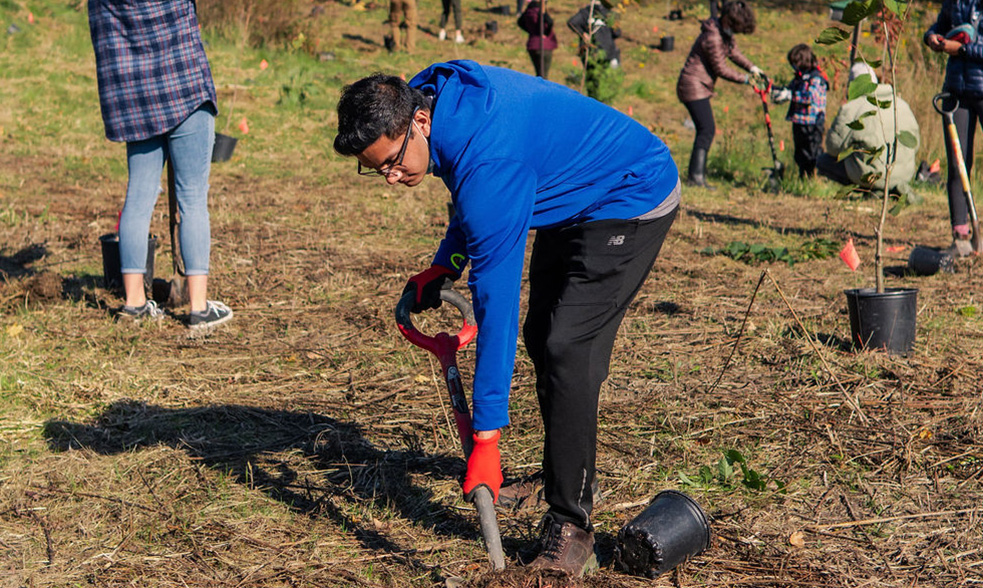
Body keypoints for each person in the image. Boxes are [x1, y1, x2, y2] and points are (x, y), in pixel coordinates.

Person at [334, 61, 679, 576]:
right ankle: (561, 472)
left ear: (419, 123)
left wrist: (487, 438)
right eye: (375, 167)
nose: (390, 178)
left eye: (392, 162)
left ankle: (571, 521)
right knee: (542, 336)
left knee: (568, 348)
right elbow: (467, 187)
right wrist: (446, 262)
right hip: (564, 193)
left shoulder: (489, 159)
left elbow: (495, 306)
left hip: (631, 191)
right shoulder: (430, 96)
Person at [88, 0, 232, 331]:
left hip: (135, 100)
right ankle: (199, 308)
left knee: (138, 197)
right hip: (185, 92)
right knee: (193, 198)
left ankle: (134, 304)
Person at [676, 0, 763, 188]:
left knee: (705, 129)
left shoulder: (722, 31)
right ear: (728, 21)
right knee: (707, 129)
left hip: (700, 85)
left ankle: (696, 175)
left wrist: (753, 68)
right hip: (692, 85)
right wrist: (746, 79)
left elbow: (734, 52)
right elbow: (721, 68)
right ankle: (696, 177)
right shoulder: (713, 37)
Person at [925, 0, 983, 257]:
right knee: (959, 164)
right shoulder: (954, 2)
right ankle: (961, 236)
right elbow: (937, 27)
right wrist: (931, 38)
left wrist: (961, 49)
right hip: (956, 92)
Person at [817, 63, 920, 196]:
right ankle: (889, 188)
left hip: (871, 176)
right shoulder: (901, 104)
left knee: (823, 161)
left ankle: (870, 189)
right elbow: (915, 144)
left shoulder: (852, 108)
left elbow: (833, 148)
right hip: (904, 175)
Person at [773, 44, 828, 178]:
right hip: (799, 121)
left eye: (795, 64)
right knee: (800, 152)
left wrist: (790, 95)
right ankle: (802, 176)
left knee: (812, 152)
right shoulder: (799, 78)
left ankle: (815, 177)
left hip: (812, 123)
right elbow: (790, 89)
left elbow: (810, 97)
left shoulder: (816, 78)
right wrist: (778, 92)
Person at [567, 0, 621, 69]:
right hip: (608, 52)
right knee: (609, 76)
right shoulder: (608, 13)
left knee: (592, 76)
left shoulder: (585, 12)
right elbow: (617, 33)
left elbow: (572, 23)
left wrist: (582, 33)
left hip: (590, 53)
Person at [518, 0, 558, 79]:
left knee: (539, 73)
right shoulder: (540, 12)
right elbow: (549, 22)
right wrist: (545, 33)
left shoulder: (528, 12)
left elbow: (520, 22)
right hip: (543, 45)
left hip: (532, 44)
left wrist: (531, 31)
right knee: (543, 75)